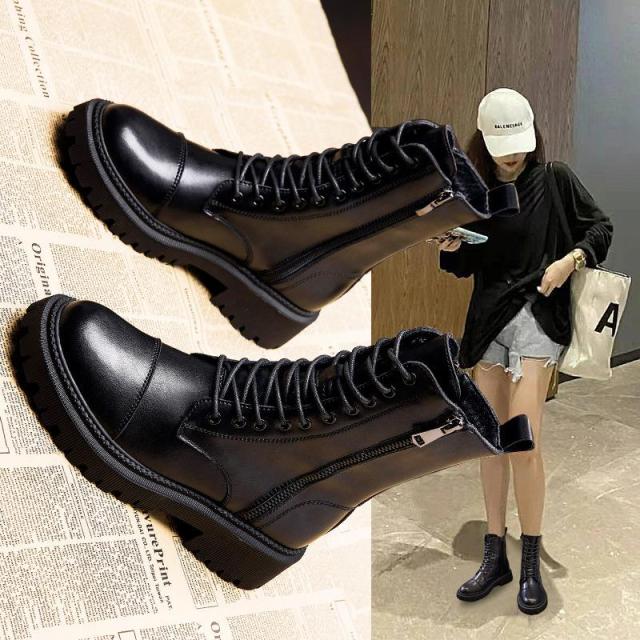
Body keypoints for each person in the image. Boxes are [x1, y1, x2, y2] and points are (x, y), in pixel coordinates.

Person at [438, 88, 613, 615]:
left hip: (537, 319)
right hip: (489, 323)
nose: (513, 155)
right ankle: (495, 555)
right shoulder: (475, 192)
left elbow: (600, 227)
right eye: (502, 146)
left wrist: (570, 261)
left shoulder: (554, 179)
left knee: (524, 441)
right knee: (490, 441)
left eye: (519, 143)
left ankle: (530, 559)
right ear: (484, 142)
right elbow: (467, 267)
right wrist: (452, 247)